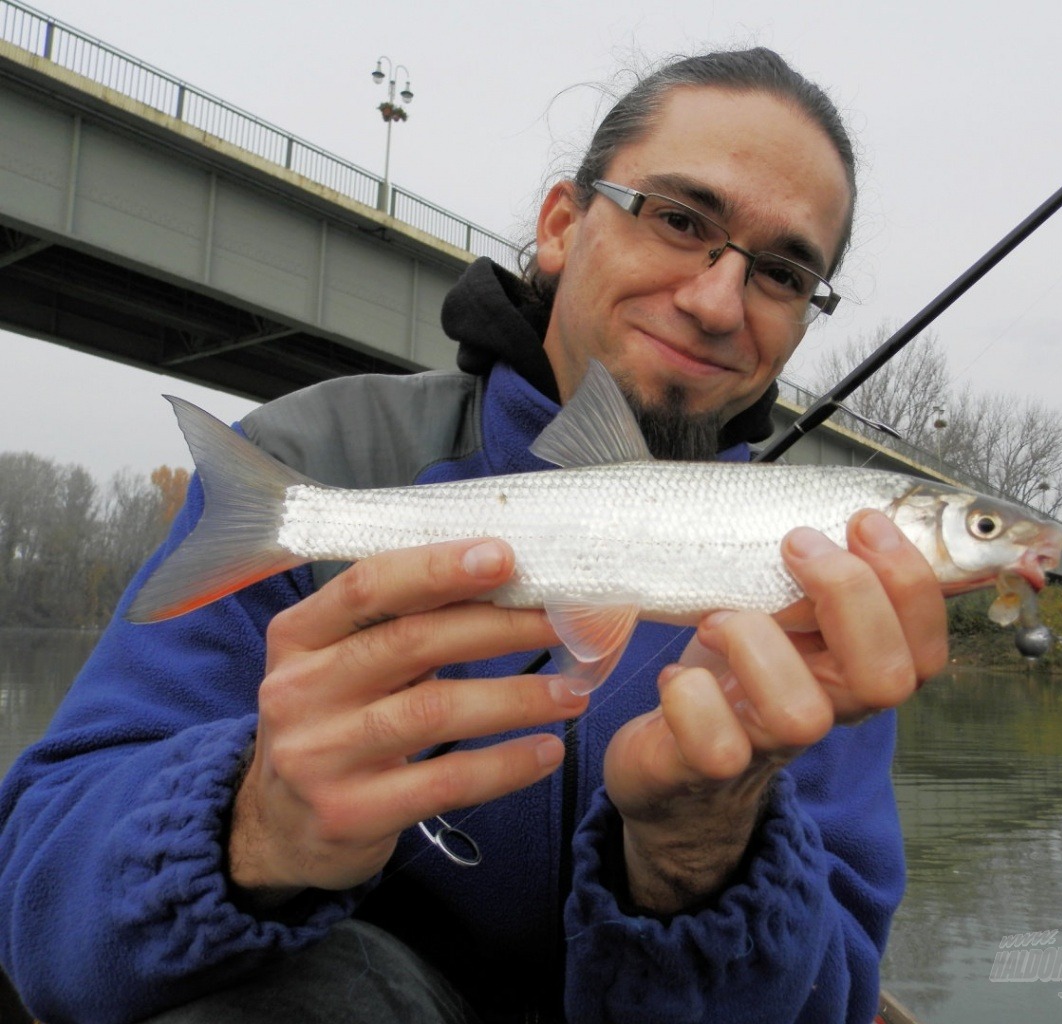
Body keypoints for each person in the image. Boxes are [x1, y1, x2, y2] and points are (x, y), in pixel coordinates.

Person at [0, 47, 947, 1024]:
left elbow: (835, 994)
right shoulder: (310, 456)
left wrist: (702, 854)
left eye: (782, 271)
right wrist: (250, 823)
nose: (714, 302)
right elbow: (34, 899)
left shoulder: (821, 582)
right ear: (560, 226)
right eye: (678, 219)